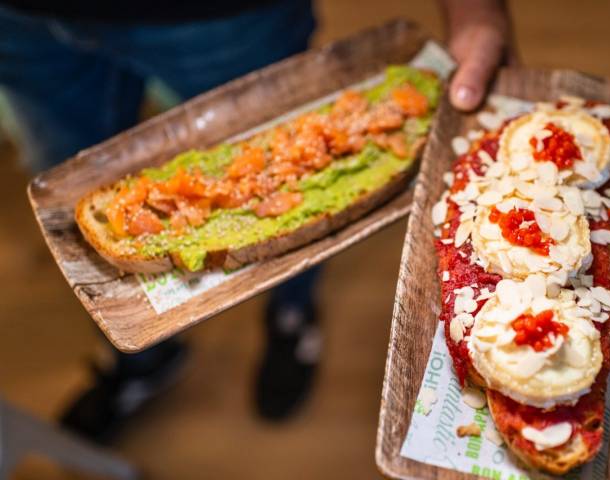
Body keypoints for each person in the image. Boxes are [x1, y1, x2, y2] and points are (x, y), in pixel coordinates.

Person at [0, 0, 515, 443]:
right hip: (21, 24)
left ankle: (291, 314)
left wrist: (475, 10)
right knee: (61, 160)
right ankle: (146, 363)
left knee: (293, 240)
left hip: (227, 16)